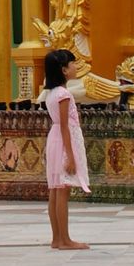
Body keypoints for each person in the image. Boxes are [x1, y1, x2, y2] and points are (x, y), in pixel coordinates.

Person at [44, 48, 90, 251]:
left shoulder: (52, 93)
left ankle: (57, 238)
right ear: (63, 70)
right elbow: (64, 125)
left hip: (54, 139)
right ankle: (65, 239)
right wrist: (70, 156)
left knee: (55, 189)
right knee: (62, 190)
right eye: (72, 64)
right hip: (63, 140)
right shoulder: (63, 94)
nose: (75, 67)